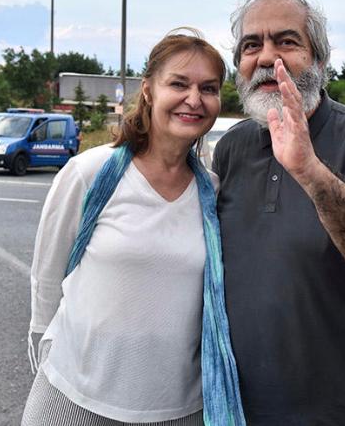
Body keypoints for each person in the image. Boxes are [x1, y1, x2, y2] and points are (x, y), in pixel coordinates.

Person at [212, 0, 345, 425]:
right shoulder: (231, 149)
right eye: (252, 45)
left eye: (286, 42)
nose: (267, 58)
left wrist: (309, 170)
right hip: (241, 410)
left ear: (320, 61)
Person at [23, 29, 245, 426]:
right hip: (75, 397)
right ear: (148, 90)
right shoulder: (89, 173)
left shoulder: (212, 192)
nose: (194, 99)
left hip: (177, 407)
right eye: (178, 83)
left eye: (208, 88)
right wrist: (44, 344)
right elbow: (48, 273)